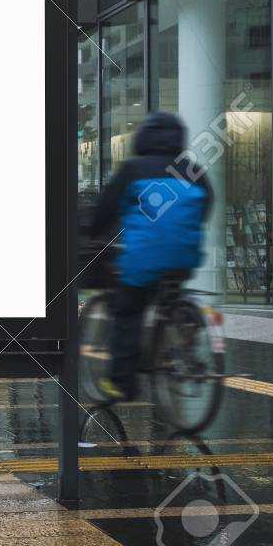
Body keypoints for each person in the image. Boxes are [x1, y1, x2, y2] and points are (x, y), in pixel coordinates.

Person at [89, 111, 212, 401]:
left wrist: (95, 233)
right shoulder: (192, 170)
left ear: (143, 138)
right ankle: (184, 338)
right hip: (185, 257)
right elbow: (207, 205)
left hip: (143, 258)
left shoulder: (132, 169)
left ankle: (121, 383)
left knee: (128, 310)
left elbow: (106, 208)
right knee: (169, 294)